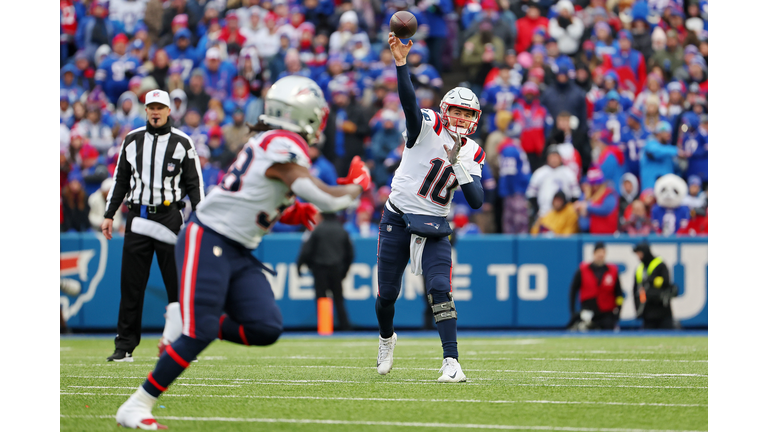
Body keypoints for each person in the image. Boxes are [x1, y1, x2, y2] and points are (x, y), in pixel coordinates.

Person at [115, 76, 370, 428]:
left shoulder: (273, 140)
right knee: (197, 334)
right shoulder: (284, 142)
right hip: (209, 238)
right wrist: (355, 187)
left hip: (238, 247)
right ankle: (137, 405)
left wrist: (294, 210)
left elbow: (262, 195)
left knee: (265, 327)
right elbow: (322, 196)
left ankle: (191, 317)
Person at [374, 33, 488, 384]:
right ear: (444, 110)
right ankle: (386, 338)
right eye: (455, 110)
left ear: (475, 118)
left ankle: (451, 361)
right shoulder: (426, 125)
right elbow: (408, 104)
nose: (459, 118)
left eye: (466, 114)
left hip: (435, 222)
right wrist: (401, 64)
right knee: (387, 295)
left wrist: (457, 163)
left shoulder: (472, 151)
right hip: (397, 215)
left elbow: (477, 200)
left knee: (440, 287)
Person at [102, 89, 205, 363]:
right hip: (138, 217)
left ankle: (182, 344)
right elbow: (120, 180)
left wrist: (202, 218)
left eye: (160, 107)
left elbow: (195, 184)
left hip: (169, 217)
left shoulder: (183, 142)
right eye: (151, 107)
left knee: (176, 284)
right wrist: (109, 213)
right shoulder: (132, 140)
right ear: (145, 110)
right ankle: (124, 346)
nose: (156, 112)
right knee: (131, 285)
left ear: (169, 111)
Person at [297, 212, 355, 331]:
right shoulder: (342, 230)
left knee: (322, 297)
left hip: (320, 269)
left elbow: (306, 251)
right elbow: (350, 254)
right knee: (338, 298)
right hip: (336, 269)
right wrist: (344, 270)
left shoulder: (318, 230)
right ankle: (345, 326)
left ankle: (325, 327)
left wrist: (300, 265)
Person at [568, 242, 624, 330]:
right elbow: (573, 291)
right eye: (598, 252)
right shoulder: (583, 270)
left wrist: (619, 311)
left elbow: (619, 293)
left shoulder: (612, 271)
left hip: (606, 313)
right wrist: (573, 311)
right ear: (594, 253)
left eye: (603, 252)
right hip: (588, 311)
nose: (600, 255)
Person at [526, 146, 581, 221]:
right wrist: (536, 210)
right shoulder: (539, 173)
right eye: (552, 157)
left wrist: (569, 211)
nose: (554, 159)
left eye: (556, 156)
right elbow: (531, 194)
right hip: (544, 214)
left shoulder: (568, 173)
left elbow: (576, 194)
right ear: (547, 158)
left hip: (564, 215)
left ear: (560, 158)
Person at [632, 241, 677, 329]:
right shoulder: (639, 269)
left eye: (639, 253)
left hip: (663, 310)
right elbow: (636, 290)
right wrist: (638, 308)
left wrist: (651, 281)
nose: (638, 256)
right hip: (647, 311)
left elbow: (666, 281)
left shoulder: (659, 264)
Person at [575, 168, 619, 235]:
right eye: (592, 184)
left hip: (607, 233)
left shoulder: (609, 193)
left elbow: (606, 209)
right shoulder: (587, 194)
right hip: (591, 232)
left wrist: (588, 207)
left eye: (597, 183)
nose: (595, 186)